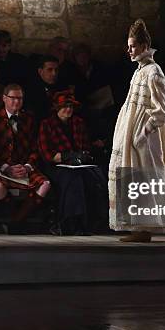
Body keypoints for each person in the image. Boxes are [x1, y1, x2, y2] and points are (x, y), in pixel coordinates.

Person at [108, 19, 165, 243]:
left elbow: (161, 111)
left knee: (145, 176)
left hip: (145, 135)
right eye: (128, 46)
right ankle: (138, 227)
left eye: (133, 46)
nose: (129, 50)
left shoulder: (154, 72)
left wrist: (142, 132)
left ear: (145, 45)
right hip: (132, 131)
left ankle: (145, 227)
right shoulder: (140, 71)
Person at [38, 90, 107, 235]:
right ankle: (69, 223)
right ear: (57, 107)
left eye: (70, 106)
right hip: (56, 167)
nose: (68, 109)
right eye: (64, 106)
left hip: (77, 165)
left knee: (93, 176)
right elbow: (47, 155)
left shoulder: (78, 123)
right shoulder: (47, 124)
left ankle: (89, 223)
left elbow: (85, 147)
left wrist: (82, 156)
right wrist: (68, 156)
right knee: (72, 179)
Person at [0, 84, 51, 233]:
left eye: (20, 98)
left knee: (46, 184)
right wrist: (6, 168)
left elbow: (36, 148)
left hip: (24, 167)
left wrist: (27, 166)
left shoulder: (29, 119)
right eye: (13, 98)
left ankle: (15, 223)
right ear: (4, 98)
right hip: (3, 168)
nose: (17, 102)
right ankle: (14, 220)